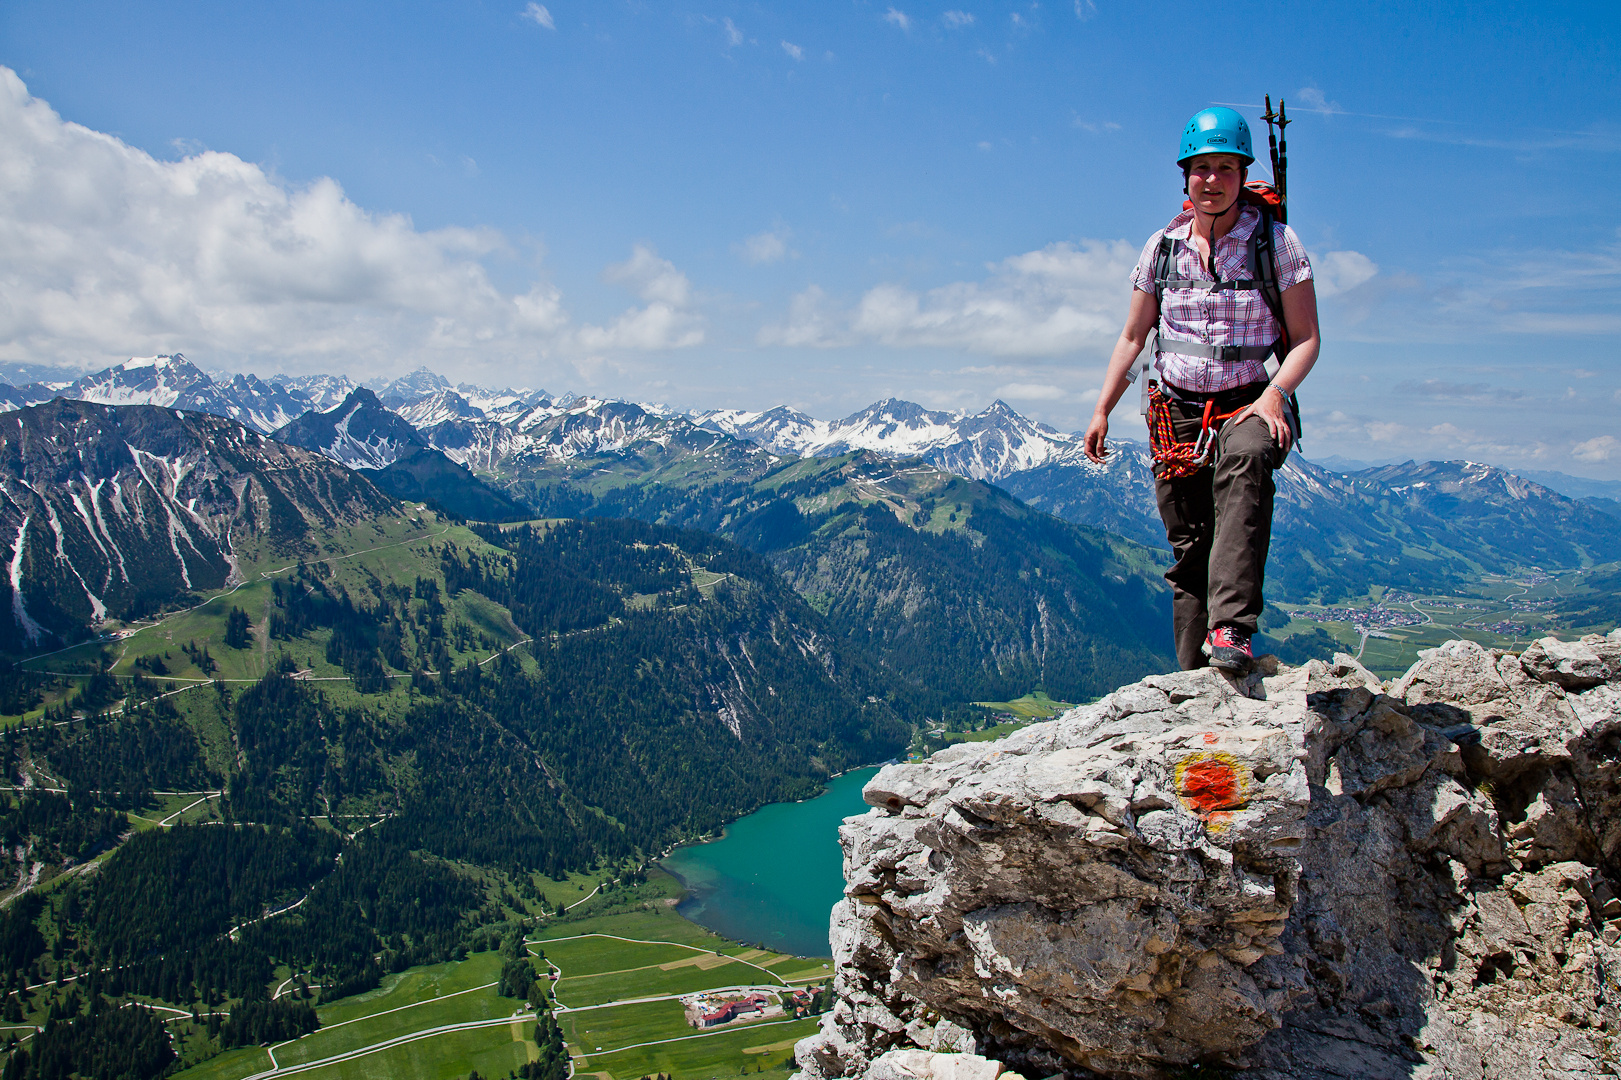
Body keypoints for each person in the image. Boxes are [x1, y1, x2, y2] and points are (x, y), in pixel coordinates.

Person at [1083, 107, 1320, 673]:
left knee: (1245, 467)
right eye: (1202, 169)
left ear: (1242, 174)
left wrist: (1275, 394)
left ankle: (1232, 629)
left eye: (1225, 168)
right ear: (1185, 176)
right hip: (1175, 412)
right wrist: (1102, 410)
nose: (1212, 180)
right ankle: (1192, 680)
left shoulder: (1277, 244)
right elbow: (1133, 334)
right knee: (1190, 553)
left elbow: (1307, 338)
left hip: (1249, 402)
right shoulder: (1161, 248)